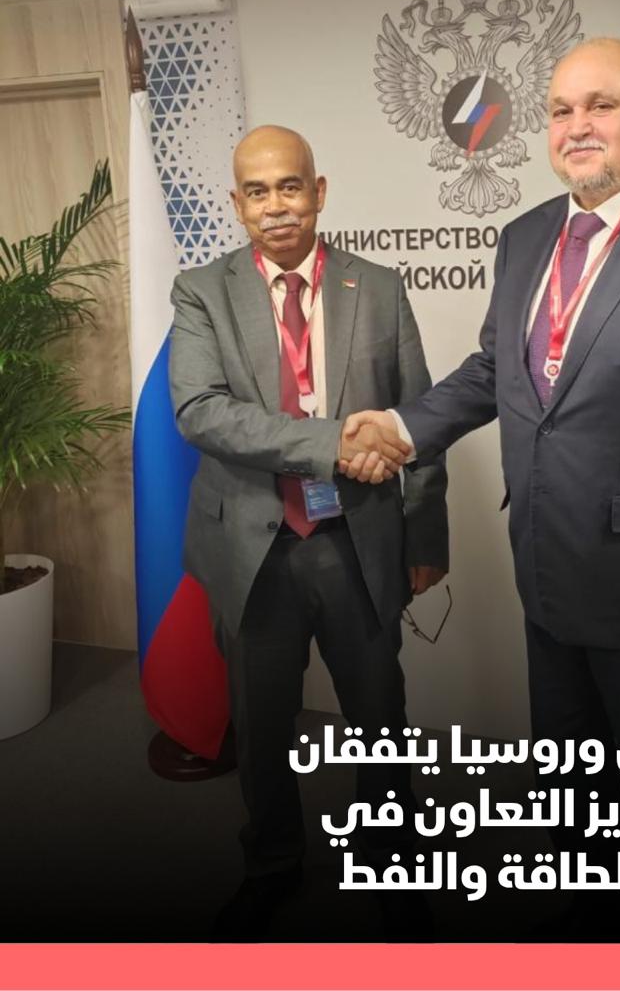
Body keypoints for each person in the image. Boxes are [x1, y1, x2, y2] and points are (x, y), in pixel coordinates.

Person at [342, 38, 620, 938]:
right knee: (572, 795)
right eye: (560, 110)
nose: (577, 125)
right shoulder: (525, 236)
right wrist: (401, 428)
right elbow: (495, 370)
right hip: (545, 577)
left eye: (601, 105)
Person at [168, 125, 448, 938]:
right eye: (257, 192)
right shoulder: (202, 290)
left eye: (289, 186)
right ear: (237, 204)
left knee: (380, 715)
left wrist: (426, 538)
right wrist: (333, 444)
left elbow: (421, 417)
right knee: (261, 727)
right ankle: (272, 866)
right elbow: (202, 411)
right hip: (252, 548)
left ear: (318, 192)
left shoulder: (379, 286)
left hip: (358, 542)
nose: (275, 206)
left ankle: (392, 859)